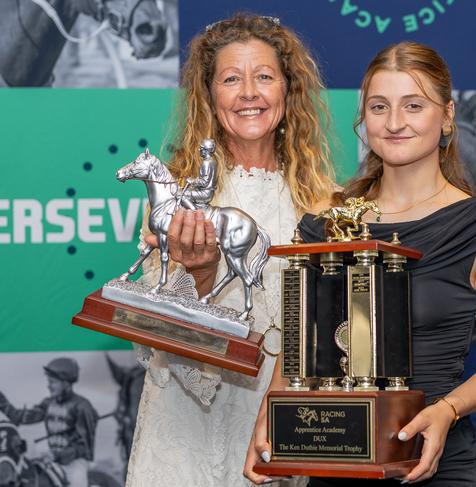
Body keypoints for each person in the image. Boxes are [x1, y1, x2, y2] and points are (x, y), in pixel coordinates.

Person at [245, 41, 476, 486]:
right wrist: (267, 419)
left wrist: (446, 411)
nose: (394, 123)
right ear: (362, 120)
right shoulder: (327, 224)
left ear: (446, 117)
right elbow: (300, 347)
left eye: (413, 105)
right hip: (337, 462)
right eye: (379, 106)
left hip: (438, 464)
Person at [125, 13, 335, 487]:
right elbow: (152, 333)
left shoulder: (326, 203)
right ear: (209, 94)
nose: (248, 93)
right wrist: (199, 276)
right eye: (231, 79)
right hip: (185, 430)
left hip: (277, 422)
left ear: (288, 89)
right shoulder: (179, 199)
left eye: (264, 77)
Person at [0, 357, 98, 487]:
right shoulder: (48, 403)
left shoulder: (83, 407)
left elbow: (85, 448)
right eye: (48, 381)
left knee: (76, 482)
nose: (48, 385)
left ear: (66, 383)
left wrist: (58, 455)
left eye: (52, 382)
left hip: (74, 463)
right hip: (52, 458)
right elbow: (20, 417)